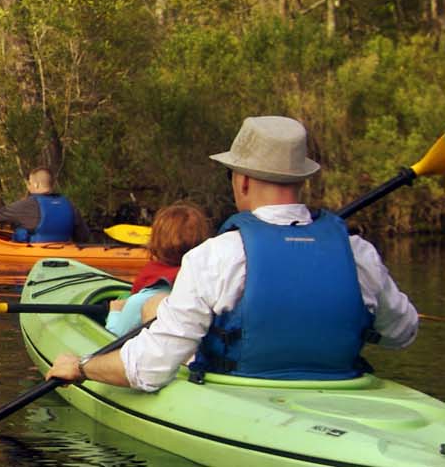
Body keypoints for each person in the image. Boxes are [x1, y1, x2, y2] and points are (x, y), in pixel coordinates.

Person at [48, 116, 419, 391]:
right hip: (345, 392)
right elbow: (403, 332)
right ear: (301, 180)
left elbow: (147, 369)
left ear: (241, 180)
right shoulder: (358, 253)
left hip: (241, 395)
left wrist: (80, 366)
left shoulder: (214, 257)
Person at [104, 202, 210, 336]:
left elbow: (112, 340)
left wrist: (115, 312)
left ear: (155, 244)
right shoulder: (210, 288)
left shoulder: (140, 302)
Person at [0, 167, 90, 243]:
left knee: (21, 233)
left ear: (36, 184)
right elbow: (83, 236)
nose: (29, 186)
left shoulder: (27, 204)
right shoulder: (69, 204)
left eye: (30, 183)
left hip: (35, 257)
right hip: (65, 254)